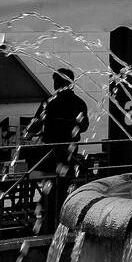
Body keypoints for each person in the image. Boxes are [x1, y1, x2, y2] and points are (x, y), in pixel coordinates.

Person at [26, 68, 89, 198]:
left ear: (58, 83)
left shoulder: (49, 103)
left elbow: (34, 125)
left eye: (55, 81)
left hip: (49, 154)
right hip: (69, 154)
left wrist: (34, 132)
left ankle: (48, 213)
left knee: (49, 190)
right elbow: (84, 126)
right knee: (65, 187)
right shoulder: (79, 103)